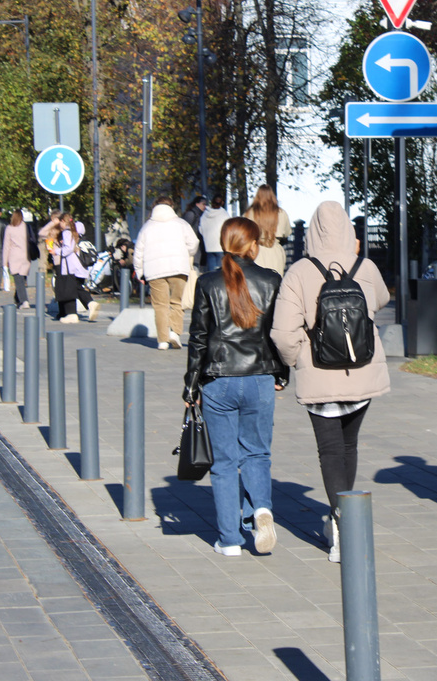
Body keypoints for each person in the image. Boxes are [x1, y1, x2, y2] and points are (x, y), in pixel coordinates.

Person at [271, 201, 391, 562]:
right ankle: (342, 518)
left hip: (319, 376)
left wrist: (297, 361)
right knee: (349, 447)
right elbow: (381, 300)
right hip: (362, 373)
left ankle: (340, 526)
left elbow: (282, 333)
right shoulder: (365, 267)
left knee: (329, 451)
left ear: (311, 233)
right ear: (348, 232)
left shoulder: (299, 272)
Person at [184, 218, 288, 557]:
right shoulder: (272, 280)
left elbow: (198, 338)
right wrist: (281, 373)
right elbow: (279, 333)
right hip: (260, 377)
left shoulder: (208, 282)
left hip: (218, 380)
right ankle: (260, 508)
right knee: (257, 453)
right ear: (254, 244)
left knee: (225, 463)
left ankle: (230, 540)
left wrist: (191, 386)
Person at [133, 196, 199, 350]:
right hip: (178, 268)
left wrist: (139, 272)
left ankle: (162, 340)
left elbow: (138, 252)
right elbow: (194, 242)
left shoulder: (147, 227)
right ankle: (175, 332)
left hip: (154, 271)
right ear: (171, 207)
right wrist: (187, 253)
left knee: (160, 306)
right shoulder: (181, 224)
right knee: (177, 302)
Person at [53, 213, 100, 324]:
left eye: (60, 222)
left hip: (70, 267)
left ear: (63, 222)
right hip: (78, 266)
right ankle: (90, 304)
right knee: (76, 288)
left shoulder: (66, 231)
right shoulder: (75, 230)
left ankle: (72, 314)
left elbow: (68, 249)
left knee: (68, 289)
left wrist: (56, 251)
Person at [243, 184, 292, 275]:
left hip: (255, 251)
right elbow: (287, 232)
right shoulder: (281, 212)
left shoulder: (249, 213)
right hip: (274, 250)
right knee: (275, 281)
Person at [3, 210, 32, 309]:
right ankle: (17, 300)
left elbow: (7, 246)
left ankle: (25, 301)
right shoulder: (26, 227)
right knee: (21, 280)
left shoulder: (10, 228)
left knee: (18, 280)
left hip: (14, 256)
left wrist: (5, 262)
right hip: (26, 256)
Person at [199, 196, 229, 272]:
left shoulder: (205, 214)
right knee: (221, 273)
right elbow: (229, 229)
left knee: (211, 273)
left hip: (209, 246)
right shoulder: (224, 214)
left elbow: (200, 229)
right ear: (222, 203)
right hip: (220, 246)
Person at [183, 195, 207, 271]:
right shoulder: (191, 214)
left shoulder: (200, 215)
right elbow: (185, 230)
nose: (205, 206)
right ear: (197, 204)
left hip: (198, 247)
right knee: (194, 270)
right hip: (193, 248)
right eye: (203, 204)